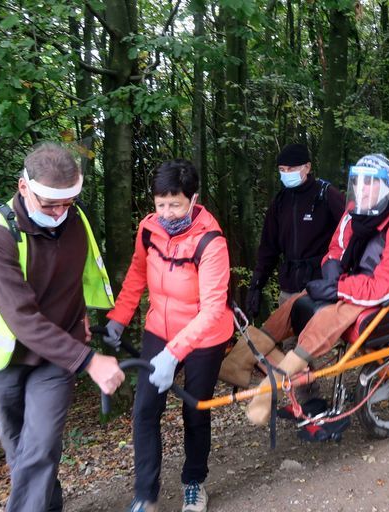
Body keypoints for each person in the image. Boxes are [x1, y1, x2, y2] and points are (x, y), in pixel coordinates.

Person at [0, 142, 124, 511]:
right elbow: (23, 320)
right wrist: (90, 360)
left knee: (42, 446)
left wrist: (79, 317)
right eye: (50, 205)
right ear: (24, 188)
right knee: (24, 455)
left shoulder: (75, 222)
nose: (60, 212)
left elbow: (73, 279)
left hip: (56, 356)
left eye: (69, 203)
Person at [243, 153, 389, 426]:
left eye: (371, 183)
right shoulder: (356, 210)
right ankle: (240, 361)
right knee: (294, 305)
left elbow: (388, 283)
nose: (363, 189)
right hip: (355, 282)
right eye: (359, 182)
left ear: (386, 186)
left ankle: (270, 389)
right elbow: (337, 248)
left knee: (326, 317)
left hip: (385, 296)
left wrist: (339, 287)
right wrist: (331, 270)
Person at [103, 159, 234, 512]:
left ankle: (194, 482)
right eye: (160, 204)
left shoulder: (211, 242)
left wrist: (174, 353)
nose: (166, 212)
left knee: (195, 410)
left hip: (204, 338)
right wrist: (119, 316)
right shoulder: (149, 229)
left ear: (193, 200)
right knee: (145, 410)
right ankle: (145, 495)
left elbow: (211, 310)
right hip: (158, 330)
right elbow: (136, 275)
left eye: (175, 204)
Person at [218, 143, 344, 388]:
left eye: (292, 168)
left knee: (303, 349)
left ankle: (311, 403)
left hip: (320, 285)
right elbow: (268, 248)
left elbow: (350, 232)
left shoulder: (326, 195)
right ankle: (306, 401)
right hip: (289, 285)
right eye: (282, 169)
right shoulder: (280, 202)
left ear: (307, 167)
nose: (286, 173)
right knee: (285, 349)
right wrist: (256, 285)